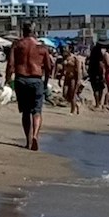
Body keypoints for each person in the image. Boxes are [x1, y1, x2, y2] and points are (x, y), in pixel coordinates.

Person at [6, 22, 53, 150]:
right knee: (37, 111)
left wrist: (8, 79)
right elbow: (48, 67)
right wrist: (45, 82)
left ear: (23, 31)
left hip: (21, 79)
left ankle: (28, 141)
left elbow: (10, 64)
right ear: (34, 32)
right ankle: (35, 136)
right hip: (36, 79)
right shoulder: (42, 47)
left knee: (25, 112)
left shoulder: (17, 45)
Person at [59, 49, 84, 114]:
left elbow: (78, 70)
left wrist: (78, 80)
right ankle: (76, 104)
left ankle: (72, 111)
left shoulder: (75, 59)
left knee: (72, 94)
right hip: (67, 77)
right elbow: (63, 69)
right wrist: (60, 79)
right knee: (65, 93)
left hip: (73, 78)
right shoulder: (64, 59)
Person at [87, 39, 108, 109]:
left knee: (95, 89)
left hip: (92, 72)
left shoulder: (93, 51)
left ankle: (97, 103)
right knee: (100, 88)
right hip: (98, 73)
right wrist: (103, 73)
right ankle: (99, 103)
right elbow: (100, 64)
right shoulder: (99, 52)